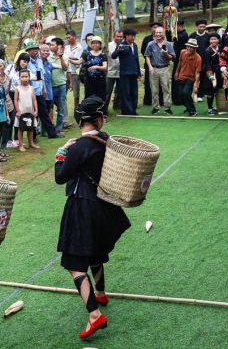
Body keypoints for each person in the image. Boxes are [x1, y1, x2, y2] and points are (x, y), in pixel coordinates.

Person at [54, 96, 131, 340]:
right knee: (95, 252)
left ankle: (95, 314)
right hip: (103, 206)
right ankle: (101, 292)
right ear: (98, 119)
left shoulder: (78, 147)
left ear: (80, 120)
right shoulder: (107, 141)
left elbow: (60, 177)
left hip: (82, 206)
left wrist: (60, 152)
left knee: (74, 264)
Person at [145, 27, 175, 115]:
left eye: (160, 33)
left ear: (163, 34)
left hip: (164, 68)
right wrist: (150, 67)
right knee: (154, 90)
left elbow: (172, 57)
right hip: (154, 68)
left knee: (166, 88)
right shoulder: (150, 44)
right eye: (156, 32)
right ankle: (155, 107)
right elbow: (147, 56)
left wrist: (166, 54)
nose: (158, 34)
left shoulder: (168, 44)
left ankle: (167, 107)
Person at [111, 28, 140, 115]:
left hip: (134, 72)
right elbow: (113, 56)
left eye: (134, 36)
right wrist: (118, 50)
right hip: (125, 72)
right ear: (126, 36)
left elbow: (136, 59)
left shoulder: (134, 45)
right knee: (126, 92)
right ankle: (127, 111)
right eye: (132, 36)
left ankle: (133, 110)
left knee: (134, 92)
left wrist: (138, 72)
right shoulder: (121, 45)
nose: (133, 38)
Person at [175, 38, 202, 117]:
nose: (189, 48)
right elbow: (180, 62)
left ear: (195, 48)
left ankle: (192, 110)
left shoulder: (198, 58)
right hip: (181, 76)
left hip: (190, 78)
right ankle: (188, 106)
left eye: (191, 47)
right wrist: (176, 72)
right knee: (180, 95)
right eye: (188, 46)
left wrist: (196, 85)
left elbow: (197, 73)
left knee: (185, 92)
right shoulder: (182, 52)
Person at [48, 37, 69, 134]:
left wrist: (60, 57)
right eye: (50, 45)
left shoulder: (65, 57)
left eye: (52, 45)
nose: (50, 47)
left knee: (61, 108)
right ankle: (49, 128)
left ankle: (59, 128)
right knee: (49, 108)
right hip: (50, 86)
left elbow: (65, 68)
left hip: (61, 86)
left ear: (59, 46)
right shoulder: (48, 57)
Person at [14, 69, 38, 152]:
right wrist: (18, 111)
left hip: (30, 112)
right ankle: (20, 145)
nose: (24, 78)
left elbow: (34, 100)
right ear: (19, 78)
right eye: (22, 77)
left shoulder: (31, 88)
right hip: (21, 112)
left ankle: (31, 143)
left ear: (29, 77)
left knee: (30, 128)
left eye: (26, 76)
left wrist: (36, 110)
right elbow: (16, 100)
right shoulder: (17, 89)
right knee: (21, 128)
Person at [83, 36, 108, 115]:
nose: (95, 45)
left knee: (101, 97)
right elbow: (80, 61)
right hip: (89, 80)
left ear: (100, 44)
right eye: (93, 43)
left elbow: (104, 67)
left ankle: (101, 114)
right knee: (89, 96)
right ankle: (90, 113)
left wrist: (96, 67)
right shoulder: (87, 53)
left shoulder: (103, 54)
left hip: (100, 80)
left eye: (97, 43)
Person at [201, 33, 222, 116]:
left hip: (219, 70)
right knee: (210, 90)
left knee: (219, 89)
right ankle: (210, 108)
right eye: (211, 39)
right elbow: (207, 64)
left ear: (218, 40)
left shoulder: (220, 47)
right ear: (209, 41)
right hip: (210, 70)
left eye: (215, 39)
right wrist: (210, 75)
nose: (213, 41)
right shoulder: (207, 51)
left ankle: (220, 106)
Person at [65, 30, 84, 112]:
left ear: (74, 37)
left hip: (75, 72)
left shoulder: (79, 47)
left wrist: (67, 58)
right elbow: (68, 57)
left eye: (69, 37)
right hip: (66, 71)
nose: (68, 39)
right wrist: (69, 57)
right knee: (63, 92)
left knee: (76, 93)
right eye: (67, 38)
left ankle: (76, 109)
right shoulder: (67, 47)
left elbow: (77, 58)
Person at [106, 30, 122, 113]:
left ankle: (117, 108)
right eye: (117, 36)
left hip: (120, 72)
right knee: (108, 91)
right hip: (110, 71)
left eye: (120, 37)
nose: (119, 38)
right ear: (114, 36)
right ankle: (105, 109)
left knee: (119, 91)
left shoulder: (124, 45)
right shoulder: (109, 45)